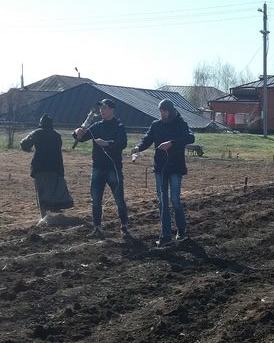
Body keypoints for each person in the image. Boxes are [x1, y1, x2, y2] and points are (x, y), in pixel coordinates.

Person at [131, 98, 195, 246]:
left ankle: (181, 229)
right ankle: (165, 234)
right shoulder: (156, 125)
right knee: (162, 201)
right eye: (161, 111)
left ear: (170, 110)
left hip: (175, 167)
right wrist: (138, 148)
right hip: (160, 167)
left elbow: (190, 137)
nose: (162, 113)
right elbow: (147, 139)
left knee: (174, 199)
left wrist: (171, 143)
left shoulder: (181, 124)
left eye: (165, 110)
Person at [72, 98, 129, 239]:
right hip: (97, 168)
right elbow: (81, 137)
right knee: (96, 200)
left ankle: (124, 226)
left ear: (111, 110)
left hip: (113, 169)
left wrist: (107, 144)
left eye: (104, 108)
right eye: (101, 108)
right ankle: (97, 227)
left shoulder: (119, 126)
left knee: (119, 200)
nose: (102, 111)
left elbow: (122, 143)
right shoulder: (97, 126)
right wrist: (77, 132)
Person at [20, 115, 73, 226]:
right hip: (55, 167)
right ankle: (54, 214)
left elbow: (24, 144)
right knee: (54, 189)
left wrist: (29, 149)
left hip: (40, 167)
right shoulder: (57, 135)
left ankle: (44, 217)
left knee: (41, 192)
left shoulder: (37, 132)